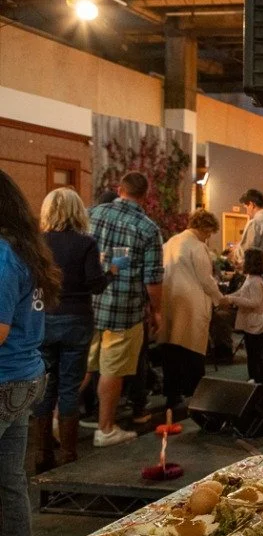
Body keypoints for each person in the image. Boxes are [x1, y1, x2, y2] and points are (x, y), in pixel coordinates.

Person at [0, 171, 62, 536]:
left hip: (5, 378)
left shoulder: (4, 254)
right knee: (9, 484)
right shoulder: (24, 249)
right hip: (23, 377)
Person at [33, 188, 110, 472]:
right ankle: (67, 455)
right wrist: (111, 272)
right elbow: (96, 284)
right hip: (77, 320)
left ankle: (42, 453)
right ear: (78, 211)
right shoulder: (86, 243)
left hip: (44, 318)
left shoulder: (38, 242)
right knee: (68, 387)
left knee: (44, 386)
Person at [88, 171, 164, 447]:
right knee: (113, 369)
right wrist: (157, 312)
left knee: (83, 367)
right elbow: (152, 279)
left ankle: (61, 419)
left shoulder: (91, 215)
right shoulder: (147, 229)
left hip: (88, 305)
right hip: (125, 310)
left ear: (119, 189)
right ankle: (105, 428)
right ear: (145, 196)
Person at [157, 210, 222, 408]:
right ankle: (195, 393)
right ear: (205, 228)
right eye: (209, 233)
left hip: (169, 300)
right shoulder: (197, 246)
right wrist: (220, 298)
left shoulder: (169, 243)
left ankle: (172, 393)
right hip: (192, 304)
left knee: (171, 349)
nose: (208, 237)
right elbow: (206, 279)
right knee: (193, 350)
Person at [223, 249, 263, 385]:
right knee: (252, 355)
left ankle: (259, 382)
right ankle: (254, 380)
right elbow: (242, 293)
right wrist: (230, 297)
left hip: (257, 325)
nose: (242, 262)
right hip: (252, 323)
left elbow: (255, 302)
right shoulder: (250, 278)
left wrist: (234, 300)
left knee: (256, 357)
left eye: (245, 259)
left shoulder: (256, 281)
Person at [236, 188, 263, 270]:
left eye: (246, 207)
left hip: (259, 276)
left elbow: (246, 252)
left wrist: (236, 250)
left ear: (252, 205)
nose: (247, 212)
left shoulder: (255, 222)